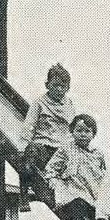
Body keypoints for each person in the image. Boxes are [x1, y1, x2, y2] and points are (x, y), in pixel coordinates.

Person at [45, 113, 107, 220]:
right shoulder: (66, 149)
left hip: (92, 188)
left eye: (87, 131)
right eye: (79, 131)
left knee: (96, 210)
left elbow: (103, 173)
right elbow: (52, 166)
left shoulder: (97, 154)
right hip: (74, 186)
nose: (83, 134)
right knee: (77, 204)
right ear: (72, 132)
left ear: (93, 134)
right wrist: (52, 178)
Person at [18, 64, 76, 207]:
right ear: (47, 85)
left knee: (73, 166)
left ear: (68, 88)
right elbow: (29, 125)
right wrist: (23, 145)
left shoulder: (68, 104)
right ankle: (24, 192)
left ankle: (68, 197)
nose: (59, 89)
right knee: (30, 155)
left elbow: (72, 127)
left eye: (63, 86)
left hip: (60, 149)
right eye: (55, 85)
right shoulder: (39, 102)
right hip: (43, 146)